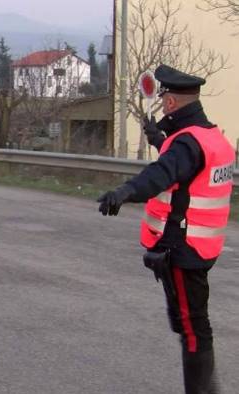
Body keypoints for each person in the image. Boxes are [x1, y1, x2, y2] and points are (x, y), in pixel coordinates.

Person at [97, 64, 234, 394]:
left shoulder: (187, 144)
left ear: (171, 103)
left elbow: (161, 173)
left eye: (163, 101)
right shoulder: (212, 137)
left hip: (183, 249)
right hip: (202, 247)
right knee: (190, 324)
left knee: (192, 327)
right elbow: (185, 167)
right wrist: (160, 139)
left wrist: (124, 192)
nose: (162, 106)